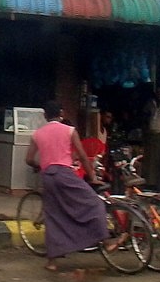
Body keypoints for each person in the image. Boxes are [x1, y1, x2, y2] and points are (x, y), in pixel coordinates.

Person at [26, 100, 116, 271]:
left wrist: (40, 166)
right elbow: (82, 155)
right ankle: (106, 241)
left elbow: (29, 159)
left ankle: (52, 262)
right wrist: (92, 177)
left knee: (53, 215)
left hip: (48, 176)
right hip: (65, 174)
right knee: (94, 202)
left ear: (45, 116)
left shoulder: (37, 134)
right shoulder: (69, 130)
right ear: (61, 114)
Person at [141, 85, 160, 190]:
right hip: (151, 133)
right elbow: (145, 114)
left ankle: (159, 182)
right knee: (150, 158)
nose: (159, 94)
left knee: (159, 158)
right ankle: (150, 182)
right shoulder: (151, 102)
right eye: (157, 92)